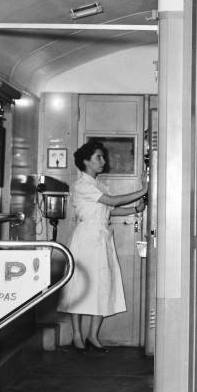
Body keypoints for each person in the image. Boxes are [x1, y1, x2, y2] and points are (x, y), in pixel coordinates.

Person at [57, 140, 147, 352]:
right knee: (80, 286)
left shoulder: (99, 185)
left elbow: (109, 210)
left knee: (103, 284)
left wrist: (135, 208)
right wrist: (143, 190)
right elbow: (112, 201)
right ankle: (77, 336)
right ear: (86, 161)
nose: (103, 161)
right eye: (98, 157)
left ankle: (93, 336)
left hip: (102, 238)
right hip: (86, 238)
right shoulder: (81, 185)